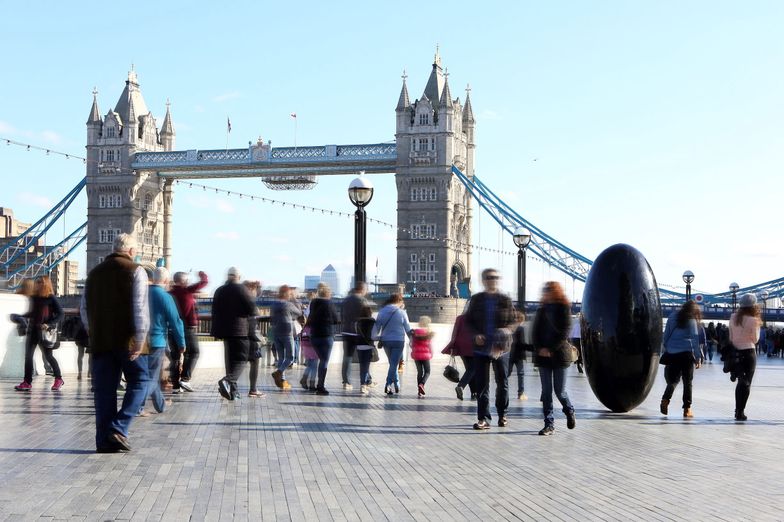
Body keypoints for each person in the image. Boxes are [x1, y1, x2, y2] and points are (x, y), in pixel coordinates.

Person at [80, 233, 150, 453]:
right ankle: (118, 428)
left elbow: (84, 308)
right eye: (135, 251)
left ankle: (104, 442)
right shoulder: (136, 270)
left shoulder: (93, 274)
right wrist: (140, 337)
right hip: (127, 339)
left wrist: (92, 330)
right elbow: (139, 307)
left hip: (101, 340)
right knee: (141, 380)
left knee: (104, 392)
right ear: (130, 251)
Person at [464, 268, 516, 430]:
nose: (492, 280)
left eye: (495, 277)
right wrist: (475, 335)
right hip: (481, 348)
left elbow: (514, 322)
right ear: (483, 280)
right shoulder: (476, 300)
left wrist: (504, 333)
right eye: (488, 277)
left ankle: (503, 414)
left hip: (501, 348)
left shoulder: (505, 300)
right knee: (482, 385)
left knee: (503, 383)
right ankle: (484, 418)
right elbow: (468, 322)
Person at [532, 281, 576, 436]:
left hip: (559, 356)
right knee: (546, 392)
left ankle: (569, 410)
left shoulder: (564, 309)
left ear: (556, 291)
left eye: (549, 290)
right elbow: (535, 333)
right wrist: (540, 349)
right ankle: (549, 424)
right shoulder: (541, 310)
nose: (546, 292)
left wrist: (551, 349)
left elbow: (565, 332)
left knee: (560, 391)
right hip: (544, 357)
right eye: (545, 290)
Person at [139, 267, 185, 415]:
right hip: (157, 341)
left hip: (139, 340)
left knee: (145, 375)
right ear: (165, 280)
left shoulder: (143, 293)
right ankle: (135, 406)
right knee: (151, 377)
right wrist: (181, 343)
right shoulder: (165, 297)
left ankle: (161, 405)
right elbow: (176, 321)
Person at [211, 267, 256, 400]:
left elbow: (215, 310)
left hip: (224, 331)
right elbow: (252, 309)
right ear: (239, 276)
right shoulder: (242, 289)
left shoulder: (219, 290)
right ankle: (227, 380)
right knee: (242, 359)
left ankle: (233, 392)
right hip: (240, 330)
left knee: (230, 361)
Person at [14, 275, 64, 391]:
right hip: (33, 331)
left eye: (41, 282)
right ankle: (27, 382)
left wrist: (49, 324)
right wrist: (20, 316)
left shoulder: (50, 298)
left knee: (48, 356)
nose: (38, 284)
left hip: (44, 332)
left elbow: (60, 314)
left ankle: (58, 379)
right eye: (37, 282)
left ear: (46, 284)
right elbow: (32, 313)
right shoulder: (34, 298)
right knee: (28, 357)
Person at [659, 301, 703, 418]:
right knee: (687, 382)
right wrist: (698, 357)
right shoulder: (692, 320)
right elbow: (694, 339)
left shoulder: (672, 317)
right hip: (686, 355)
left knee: (673, 381)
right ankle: (687, 409)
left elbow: (666, 336)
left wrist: (668, 348)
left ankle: (665, 400)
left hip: (673, 353)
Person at [169, 270, 208, 393]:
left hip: (172, 328)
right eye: (186, 280)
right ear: (183, 281)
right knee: (193, 352)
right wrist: (202, 274)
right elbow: (204, 282)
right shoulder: (186, 291)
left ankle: (175, 386)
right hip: (187, 328)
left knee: (175, 356)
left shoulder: (169, 294)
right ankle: (185, 379)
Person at [372, 293, 413, 396]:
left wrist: (375, 338)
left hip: (386, 341)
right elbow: (408, 328)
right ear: (399, 301)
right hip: (398, 341)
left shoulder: (382, 312)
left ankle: (397, 384)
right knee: (394, 364)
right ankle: (388, 384)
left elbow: (376, 328)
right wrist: (412, 340)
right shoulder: (402, 313)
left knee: (392, 364)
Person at [729, 294, 762, 421]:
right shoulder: (754, 320)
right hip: (749, 353)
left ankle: (737, 409)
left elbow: (731, 337)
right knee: (747, 383)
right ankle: (740, 412)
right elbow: (755, 339)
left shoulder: (733, 317)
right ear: (753, 306)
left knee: (740, 382)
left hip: (735, 352)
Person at [305, 282, 340, 395]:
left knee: (315, 359)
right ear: (328, 293)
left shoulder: (314, 303)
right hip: (326, 335)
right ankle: (320, 386)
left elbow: (309, 317)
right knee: (324, 362)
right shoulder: (329, 304)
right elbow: (336, 319)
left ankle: (311, 381)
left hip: (314, 335)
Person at [270, 285, 303, 390]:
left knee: (281, 358)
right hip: (287, 333)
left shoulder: (274, 305)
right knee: (291, 357)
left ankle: (282, 382)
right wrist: (294, 299)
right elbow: (299, 313)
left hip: (276, 333)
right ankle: (278, 373)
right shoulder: (288, 304)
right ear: (287, 294)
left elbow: (272, 318)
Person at [341, 282, 368, 390]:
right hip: (359, 332)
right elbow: (367, 316)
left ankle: (346, 382)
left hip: (346, 331)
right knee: (364, 358)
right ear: (362, 289)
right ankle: (366, 381)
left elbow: (342, 316)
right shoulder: (362, 300)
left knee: (347, 357)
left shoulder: (346, 300)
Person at [442, 314, 477, 400]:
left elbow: (455, 333)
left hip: (461, 347)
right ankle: (461, 386)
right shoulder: (478, 317)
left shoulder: (460, 318)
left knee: (470, 370)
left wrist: (453, 346)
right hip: (473, 346)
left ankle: (474, 393)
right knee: (472, 369)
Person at [243, 281, 266, 398]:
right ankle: (253, 389)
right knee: (254, 362)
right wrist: (260, 339)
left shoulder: (239, 302)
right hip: (251, 338)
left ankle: (230, 387)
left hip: (239, 336)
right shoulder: (251, 304)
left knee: (238, 364)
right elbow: (252, 324)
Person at [411, 315, 434, 398]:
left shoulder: (415, 332)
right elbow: (429, 345)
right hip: (425, 355)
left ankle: (419, 391)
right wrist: (431, 353)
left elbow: (411, 344)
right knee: (427, 371)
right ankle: (422, 384)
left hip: (416, 355)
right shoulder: (428, 332)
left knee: (419, 372)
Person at [355, 305, 376, 395]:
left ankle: (367, 382)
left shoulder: (357, 322)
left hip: (359, 346)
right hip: (368, 346)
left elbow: (356, 333)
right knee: (365, 366)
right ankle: (363, 385)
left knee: (362, 366)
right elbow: (374, 334)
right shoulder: (372, 322)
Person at [508, 310, 528, 401]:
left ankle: (500, 390)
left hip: (509, 354)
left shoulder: (509, 328)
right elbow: (522, 343)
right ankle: (521, 393)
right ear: (520, 320)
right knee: (521, 374)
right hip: (519, 355)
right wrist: (532, 348)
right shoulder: (521, 329)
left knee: (507, 373)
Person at [299, 326, 318, 391]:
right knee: (314, 367)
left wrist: (302, 350)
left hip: (305, 348)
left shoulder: (304, 329)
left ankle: (305, 380)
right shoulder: (314, 328)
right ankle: (311, 384)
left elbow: (301, 340)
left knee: (310, 366)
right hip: (313, 348)